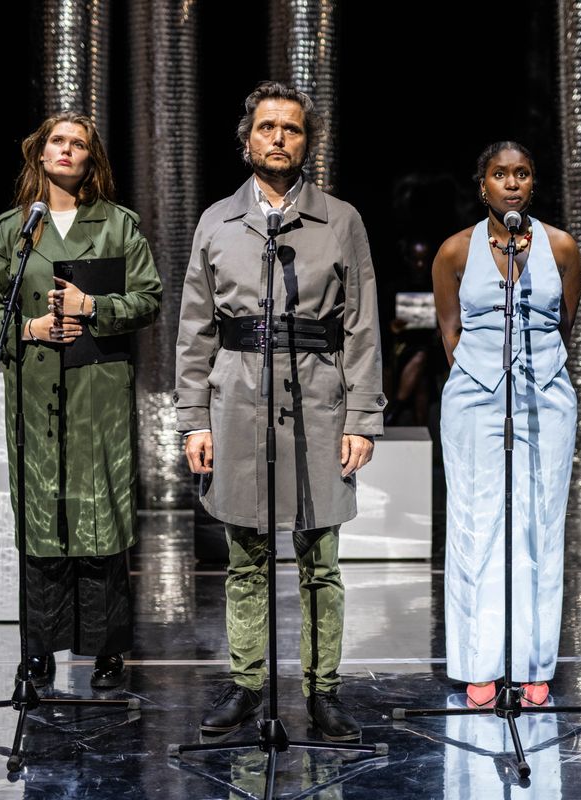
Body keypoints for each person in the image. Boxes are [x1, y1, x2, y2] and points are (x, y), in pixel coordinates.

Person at [175, 82, 385, 742]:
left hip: (318, 401)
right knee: (246, 557)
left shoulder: (341, 220)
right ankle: (247, 684)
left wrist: (362, 418)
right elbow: (195, 328)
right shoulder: (217, 221)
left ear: (306, 143)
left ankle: (323, 691)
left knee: (321, 559)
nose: (278, 138)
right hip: (238, 401)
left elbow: (362, 325)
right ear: (247, 140)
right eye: (267, 127)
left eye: (291, 129)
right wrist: (194, 418)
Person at [0, 112, 162, 688]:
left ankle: (106, 650)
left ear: (90, 159)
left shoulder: (118, 225)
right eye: (57, 140)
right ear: (40, 153)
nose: (66, 150)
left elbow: (149, 299)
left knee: (101, 515)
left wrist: (93, 308)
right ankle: (38, 650)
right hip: (34, 395)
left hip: (97, 391)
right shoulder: (15, 229)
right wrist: (29, 329)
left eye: (78, 144)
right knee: (41, 516)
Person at [431, 142, 581, 707]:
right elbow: (450, 333)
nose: (512, 183)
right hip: (475, 397)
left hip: (544, 394)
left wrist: (534, 369)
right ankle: (480, 663)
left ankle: (533, 662)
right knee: (476, 524)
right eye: (500, 174)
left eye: (522, 173)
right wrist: (482, 377)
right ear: (483, 185)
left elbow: (563, 324)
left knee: (540, 525)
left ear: (533, 183)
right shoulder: (454, 250)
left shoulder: (561, 247)